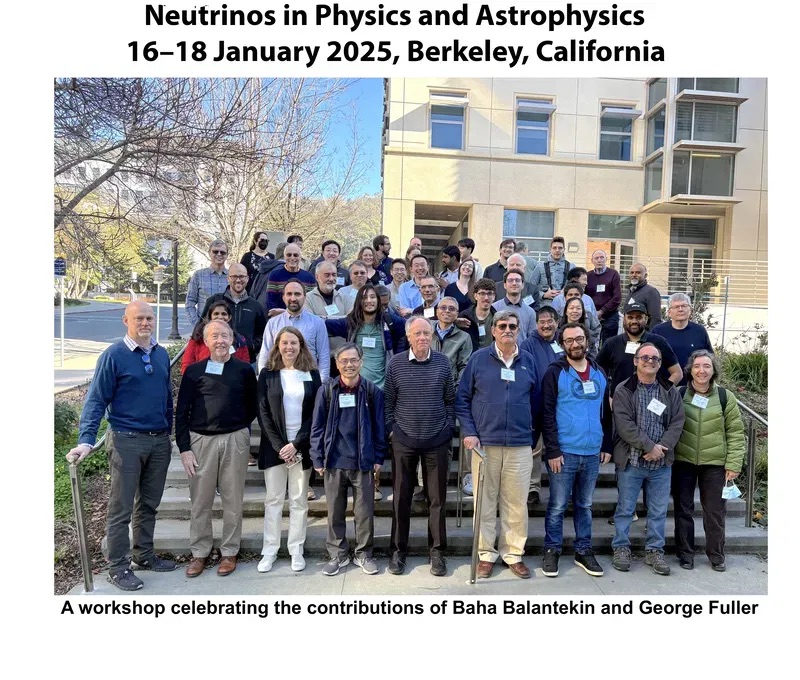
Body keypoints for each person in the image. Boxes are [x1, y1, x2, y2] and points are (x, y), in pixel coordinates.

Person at [66, 301, 175, 591]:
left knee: (149, 504)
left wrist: (169, 431)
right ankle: (118, 566)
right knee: (121, 509)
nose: (145, 323)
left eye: (149, 318)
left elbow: (166, 398)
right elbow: (96, 400)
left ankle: (144, 555)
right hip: (126, 440)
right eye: (139, 318)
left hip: (158, 440)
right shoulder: (114, 355)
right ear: (125, 320)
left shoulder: (161, 354)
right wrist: (87, 440)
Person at [455, 310, 542, 579]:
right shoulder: (479, 360)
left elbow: (537, 403)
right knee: (485, 501)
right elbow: (462, 400)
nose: (507, 330)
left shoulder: (528, 361)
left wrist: (531, 433)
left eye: (512, 326)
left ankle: (513, 553)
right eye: (502, 325)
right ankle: (485, 553)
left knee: (516, 502)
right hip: (484, 445)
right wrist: (469, 431)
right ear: (493, 330)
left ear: (519, 330)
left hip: (519, 445)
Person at [176, 320, 258, 578]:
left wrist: (241, 428)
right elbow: (181, 413)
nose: (220, 341)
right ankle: (200, 552)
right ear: (206, 341)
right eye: (215, 336)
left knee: (233, 499)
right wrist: (184, 448)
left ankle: (229, 551)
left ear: (232, 338)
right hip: (201, 441)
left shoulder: (244, 370)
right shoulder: (194, 371)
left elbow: (253, 405)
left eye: (224, 335)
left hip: (234, 440)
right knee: (201, 500)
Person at [385, 316, 457, 577]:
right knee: (401, 498)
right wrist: (393, 430)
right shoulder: (395, 364)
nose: (423, 337)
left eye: (427, 332)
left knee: (436, 499)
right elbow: (389, 401)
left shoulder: (443, 363)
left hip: (437, 439)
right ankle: (397, 550)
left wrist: (449, 427)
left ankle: (437, 551)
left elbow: (450, 399)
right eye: (418, 333)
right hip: (404, 439)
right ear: (409, 337)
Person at [540, 322, 612, 578]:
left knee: (585, 505)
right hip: (565, 452)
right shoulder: (555, 372)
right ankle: (552, 550)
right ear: (562, 344)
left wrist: (606, 444)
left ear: (587, 341)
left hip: (592, 452)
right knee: (558, 505)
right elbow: (546, 413)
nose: (575, 344)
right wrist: (552, 450)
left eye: (579, 339)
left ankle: (583, 550)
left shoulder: (600, 372)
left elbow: (607, 412)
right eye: (569, 340)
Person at [310, 343, 387, 576]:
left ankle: (364, 553)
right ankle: (338, 554)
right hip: (334, 460)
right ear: (337, 364)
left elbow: (379, 427)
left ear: (361, 362)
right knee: (334, 512)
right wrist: (317, 457)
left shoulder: (372, 391)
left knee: (364, 513)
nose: (349, 365)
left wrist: (378, 456)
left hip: (362, 461)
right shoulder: (327, 391)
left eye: (354, 360)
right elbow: (317, 427)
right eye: (344, 360)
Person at [611, 342, 685, 576]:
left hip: (661, 464)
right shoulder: (624, 389)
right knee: (625, 509)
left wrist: (661, 448)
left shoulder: (669, 390)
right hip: (632, 462)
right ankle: (621, 548)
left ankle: (655, 550)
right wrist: (649, 446)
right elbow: (624, 425)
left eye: (655, 359)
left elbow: (678, 421)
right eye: (645, 358)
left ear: (660, 364)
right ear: (636, 361)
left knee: (658, 510)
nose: (650, 362)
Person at [255, 327, 323, 574]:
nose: (289, 347)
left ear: (301, 345)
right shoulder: (268, 374)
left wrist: (296, 444)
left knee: (298, 501)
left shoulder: (311, 374)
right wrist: (281, 446)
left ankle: (296, 549)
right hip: (275, 447)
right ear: (277, 346)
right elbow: (263, 412)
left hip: (301, 447)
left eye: (294, 343)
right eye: (284, 343)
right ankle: (269, 550)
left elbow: (316, 414)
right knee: (273, 500)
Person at [673, 349, 745, 572]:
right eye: (697, 366)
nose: (701, 370)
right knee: (683, 510)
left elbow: (735, 432)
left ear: (713, 370)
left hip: (715, 464)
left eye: (706, 366)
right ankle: (685, 554)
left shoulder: (725, 397)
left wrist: (733, 463)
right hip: (683, 460)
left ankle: (716, 555)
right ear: (690, 370)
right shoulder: (679, 393)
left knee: (714, 512)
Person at [519, 305, 564, 506]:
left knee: (559, 446)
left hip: (561, 403)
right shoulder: (528, 344)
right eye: (542, 322)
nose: (546, 325)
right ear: (536, 324)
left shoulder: (563, 342)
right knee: (534, 448)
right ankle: (532, 487)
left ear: (557, 323)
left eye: (549, 321)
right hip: (535, 402)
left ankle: (561, 489)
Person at [597, 302, 682, 396]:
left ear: (646, 319)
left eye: (639, 317)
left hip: (651, 403)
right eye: (630, 317)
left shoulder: (659, 342)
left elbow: (677, 373)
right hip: (620, 402)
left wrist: (662, 393)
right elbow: (597, 374)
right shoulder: (611, 344)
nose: (634, 321)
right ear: (624, 319)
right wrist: (607, 398)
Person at [258, 279, 330, 380]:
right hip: (279, 381)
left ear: (304, 297)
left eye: (297, 294)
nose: (293, 298)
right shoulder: (273, 323)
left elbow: (324, 356)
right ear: (283, 297)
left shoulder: (317, 323)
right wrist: (263, 380)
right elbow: (265, 354)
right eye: (289, 294)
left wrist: (322, 384)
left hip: (309, 380)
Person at [199, 263, 267, 365]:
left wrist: (251, 346)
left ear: (247, 279)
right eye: (234, 276)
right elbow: (201, 329)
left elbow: (262, 334)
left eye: (242, 276)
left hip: (246, 361)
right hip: (216, 360)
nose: (238, 280)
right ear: (228, 278)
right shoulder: (214, 301)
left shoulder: (256, 306)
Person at [651, 293, 714, 386]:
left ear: (690, 310)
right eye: (676, 307)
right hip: (664, 386)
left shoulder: (699, 331)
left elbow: (710, 357)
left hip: (693, 387)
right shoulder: (658, 331)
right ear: (669, 312)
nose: (680, 309)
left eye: (684, 306)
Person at [181, 299, 250, 375]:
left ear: (229, 317)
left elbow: (245, 367)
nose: (220, 317)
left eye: (224, 314)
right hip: (202, 382)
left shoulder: (239, 340)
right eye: (216, 314)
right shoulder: (198, 337)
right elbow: (187, 364)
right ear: (210, 316)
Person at [185, 239, 230, 325]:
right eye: (215, 251)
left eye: (223, 252)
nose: (219, 254)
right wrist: (197, 325)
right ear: (209, 253)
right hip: (204, 329)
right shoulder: (198, 275)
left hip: (226, 329)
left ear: (227, 255)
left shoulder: (231, 276)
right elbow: (189, 304)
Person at [430, 296, 472, 386]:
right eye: (443, 307)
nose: (447, 311)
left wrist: (456, 389)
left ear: (457, 314)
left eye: (452, 309)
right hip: (426, 384)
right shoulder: (426, 330)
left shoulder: (464, 337)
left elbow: (464, 366)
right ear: (437, 311)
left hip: (449, 386)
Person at [265, 242, 315, 314]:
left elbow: (312, 302)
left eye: (295, 255)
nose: (292, 258)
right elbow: (271, 302)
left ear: (300, 257)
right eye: (289, 255)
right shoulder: (275, 275)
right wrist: (286, 314)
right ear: (284, 257)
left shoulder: (309, 277)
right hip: (280, 318)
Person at [586, 249, 622, 344]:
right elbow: (585, 296)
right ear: (592, 261)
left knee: (609, 344)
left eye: (602, 257)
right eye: (596, 258)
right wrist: (594, 313)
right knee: (591, 343)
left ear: (606, 259)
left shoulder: (613, 274)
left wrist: (602, 311)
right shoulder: (587, 276)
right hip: (592, 315)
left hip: (610, 316)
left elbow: (617, 297)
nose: (599, 260)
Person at [491, 270, 537, 339]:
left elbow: (532, 339)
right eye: (510, 280)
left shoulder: (530, 312)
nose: (514, 283)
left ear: (523, 285)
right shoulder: (494, 308)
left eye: (517, 280)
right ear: (504, 285)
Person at [458, 278, 496, 353]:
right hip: (468, 360)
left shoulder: (497, 318)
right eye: (482, 293)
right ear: (475, 296)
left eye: (489, 293)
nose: (486, 298)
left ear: (494, 296)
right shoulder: (463, 317)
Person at [530, 236, 571, 303]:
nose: (557, 250)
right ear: (550, 249)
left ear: (564, 249)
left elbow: (576, 287)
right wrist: (544, 295)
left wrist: (566, 292)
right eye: (554, 248)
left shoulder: (571, 267)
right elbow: (531, 287)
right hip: (545, 307)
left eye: (560, 248)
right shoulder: (540, 266)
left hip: (565, 307)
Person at [558, 296, 601, 360]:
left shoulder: (589, 333)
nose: (575, 311)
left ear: (583, 311)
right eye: (571, 308)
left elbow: (593, 354)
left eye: (578, 308)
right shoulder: (558, 330)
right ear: (566, 311)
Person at [250, 242, 288, 309]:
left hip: (258, 310)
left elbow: (252, 292)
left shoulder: (263, 270)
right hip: (275, 313)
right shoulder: (284, 270)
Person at [626, 262, 662, 329]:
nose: (634, 275)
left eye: (638, 272)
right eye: (631, 272)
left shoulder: (651, 292)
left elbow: (655, 319)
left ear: (645, 276)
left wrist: (651, 337)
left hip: (644, 336)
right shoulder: (631, 291)